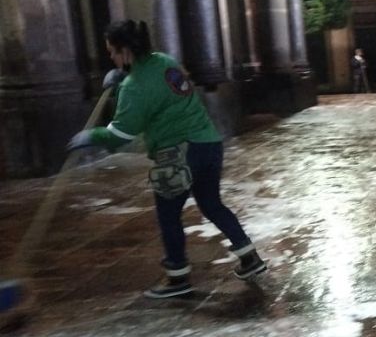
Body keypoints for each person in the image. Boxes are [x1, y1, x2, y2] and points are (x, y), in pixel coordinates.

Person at [67, 19, 265, 299]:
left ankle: (178, 278)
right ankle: (249, 256)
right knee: (211, 203)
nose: (110, 57)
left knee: (168, 215)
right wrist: (125, 76)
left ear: (125, 50)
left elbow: (122, 133)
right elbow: (159, 88)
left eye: (112, 51)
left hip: (178, 155)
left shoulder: (134, 87)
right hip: (208, 144)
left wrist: (93, 136)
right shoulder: (164, 61)